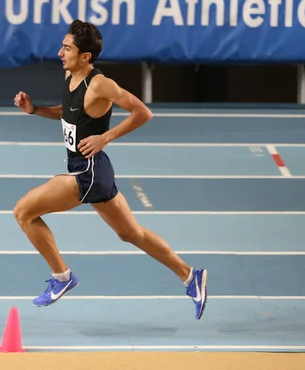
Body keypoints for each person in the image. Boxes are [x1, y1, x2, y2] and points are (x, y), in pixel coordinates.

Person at [13, 19, 208, 320]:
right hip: (94, 170)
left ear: (85, 56)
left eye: (67, 48)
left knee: (23, 212)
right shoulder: (70, 76)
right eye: (62, 46)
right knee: (131, 234)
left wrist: (105, 137)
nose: (59, 52)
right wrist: (35, 110)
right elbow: (68, 114)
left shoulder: (100, 84)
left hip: (87, 173)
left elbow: (142, 112)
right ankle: (190, 275)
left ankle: (62, 277)